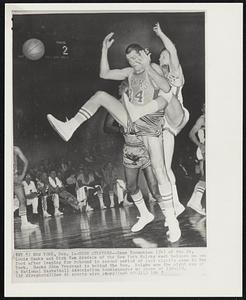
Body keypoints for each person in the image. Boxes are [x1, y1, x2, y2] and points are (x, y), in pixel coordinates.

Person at [47, 33, 181, 242]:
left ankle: (172, 221)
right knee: (100, 95)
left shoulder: (152, 68)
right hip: (130, 120)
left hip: (150, 121)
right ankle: (70, 127)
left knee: (159, 171)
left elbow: (165, 88)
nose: (133, 62)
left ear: (144, 55)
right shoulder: (129, 72)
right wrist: (104, 49)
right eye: (130, 60)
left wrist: (147, 65)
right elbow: (104, 73)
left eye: (137, 58)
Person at [187, 104, 206, 215]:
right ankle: (197, 202)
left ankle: (193, 201)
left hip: (205, 148)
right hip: (204, 148)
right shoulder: (202, 119)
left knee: (204, 176)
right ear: (202, 109)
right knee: (206, 177)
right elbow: (191, 134)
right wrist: (200, 145)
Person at [13, 146, 38, 229]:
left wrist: (23, 175)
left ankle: (24, 223)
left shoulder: (15, 149)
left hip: (15, 178)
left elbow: (26, 161)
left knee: (22, 200)